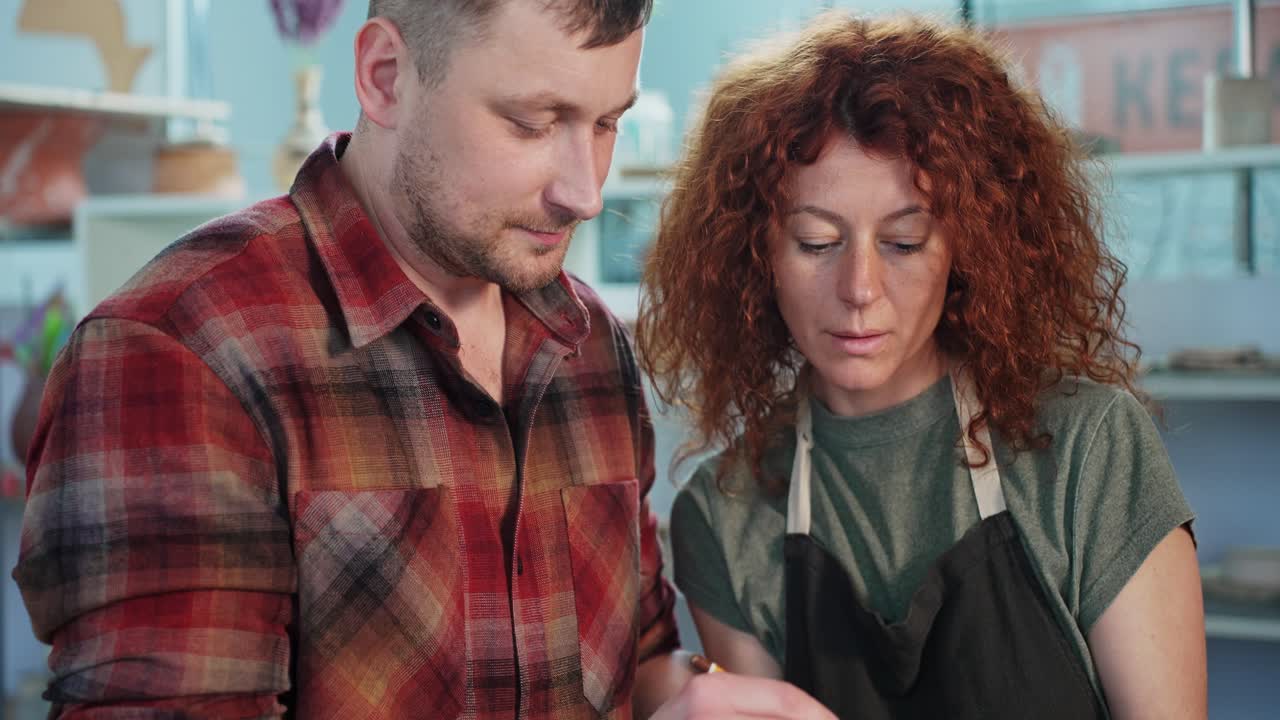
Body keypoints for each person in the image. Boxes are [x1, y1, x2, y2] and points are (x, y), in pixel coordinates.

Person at [13, 1, 835, 718]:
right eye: (533, 122)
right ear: (385, 76)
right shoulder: (183, 350)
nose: (585, 190)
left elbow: (639, 656)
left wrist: (687, 701)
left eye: (607, 121)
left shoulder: (588, 344)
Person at [636, 12, 1207, 720]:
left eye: (905, 243)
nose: (859, 290)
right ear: (755, 258)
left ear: (968, 249)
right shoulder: (726, 515)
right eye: (816, 243)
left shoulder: (1088, 450)